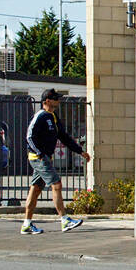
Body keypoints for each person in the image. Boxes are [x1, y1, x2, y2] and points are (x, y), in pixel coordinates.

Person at [22, 89, 91, 235]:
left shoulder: (53, 116)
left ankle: (26, 224)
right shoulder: (40, 116)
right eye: (55, 98)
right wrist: (39, 153)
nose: (58, 101)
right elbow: (29, 137)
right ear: (47, 101)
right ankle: (65, 220)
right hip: (39, 158)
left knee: (35, 190)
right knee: (57, 184)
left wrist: (80, 151)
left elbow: (64, 137)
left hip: (45, 157)